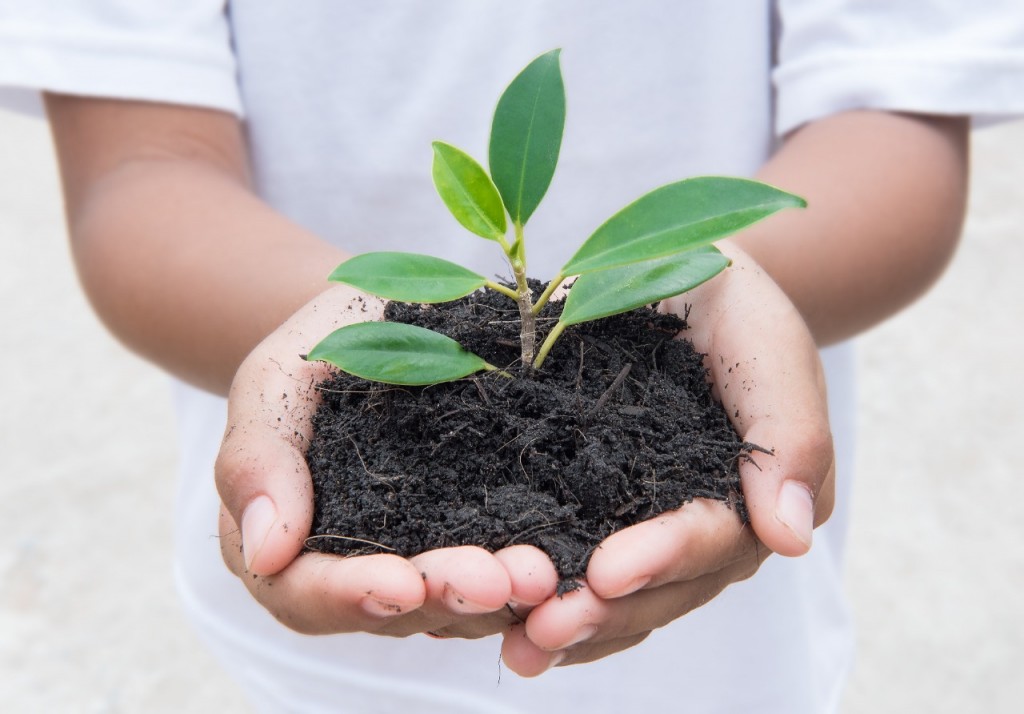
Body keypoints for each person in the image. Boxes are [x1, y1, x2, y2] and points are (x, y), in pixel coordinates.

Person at [1, 2, 1021, 712]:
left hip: (736, 654)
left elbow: (896, 122)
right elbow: (140, 177)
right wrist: (359, 333)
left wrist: (721, 278)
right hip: (321, 644)